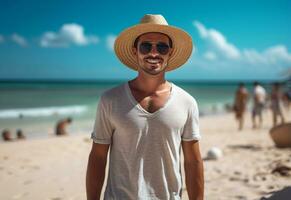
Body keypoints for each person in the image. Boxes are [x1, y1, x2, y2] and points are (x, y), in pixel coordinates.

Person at [86, 14, 204, 200]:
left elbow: (193, 161)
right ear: (135, 51)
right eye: (146, 46)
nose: (154, 53)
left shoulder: (186, 102)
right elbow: (98, 157)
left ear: (170, 52)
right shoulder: (110, 100)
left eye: (162, 47)